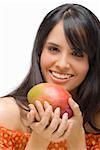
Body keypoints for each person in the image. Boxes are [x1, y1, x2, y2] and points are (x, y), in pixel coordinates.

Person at [0, 3, 100, 150]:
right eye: (53, 49)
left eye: (77, 54)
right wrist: (39, 140)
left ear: (92, 62)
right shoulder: (5, 116)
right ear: (40, 52)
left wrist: (77, 142)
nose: (62, 64)